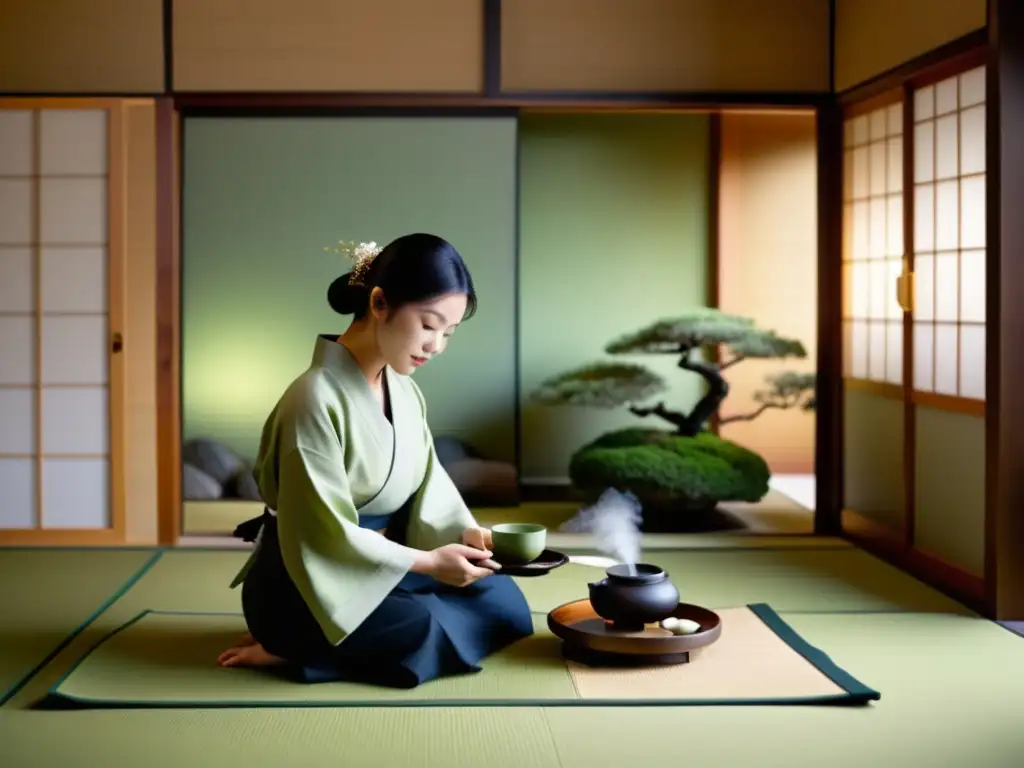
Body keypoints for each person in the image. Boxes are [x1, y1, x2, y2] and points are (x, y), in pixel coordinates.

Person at [217, 233, 534, 688]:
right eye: (428, 325)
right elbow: (320, 532)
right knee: (422, 629)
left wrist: (467, 535)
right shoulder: (311, 398)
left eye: (449, 332)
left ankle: (333, 640)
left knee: (501, 600)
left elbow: (429, 481)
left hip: (385, 562)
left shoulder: (403, 388)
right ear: (380, 303)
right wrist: (428, 564)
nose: (437, 345)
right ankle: (288, 645)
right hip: (308, 578)